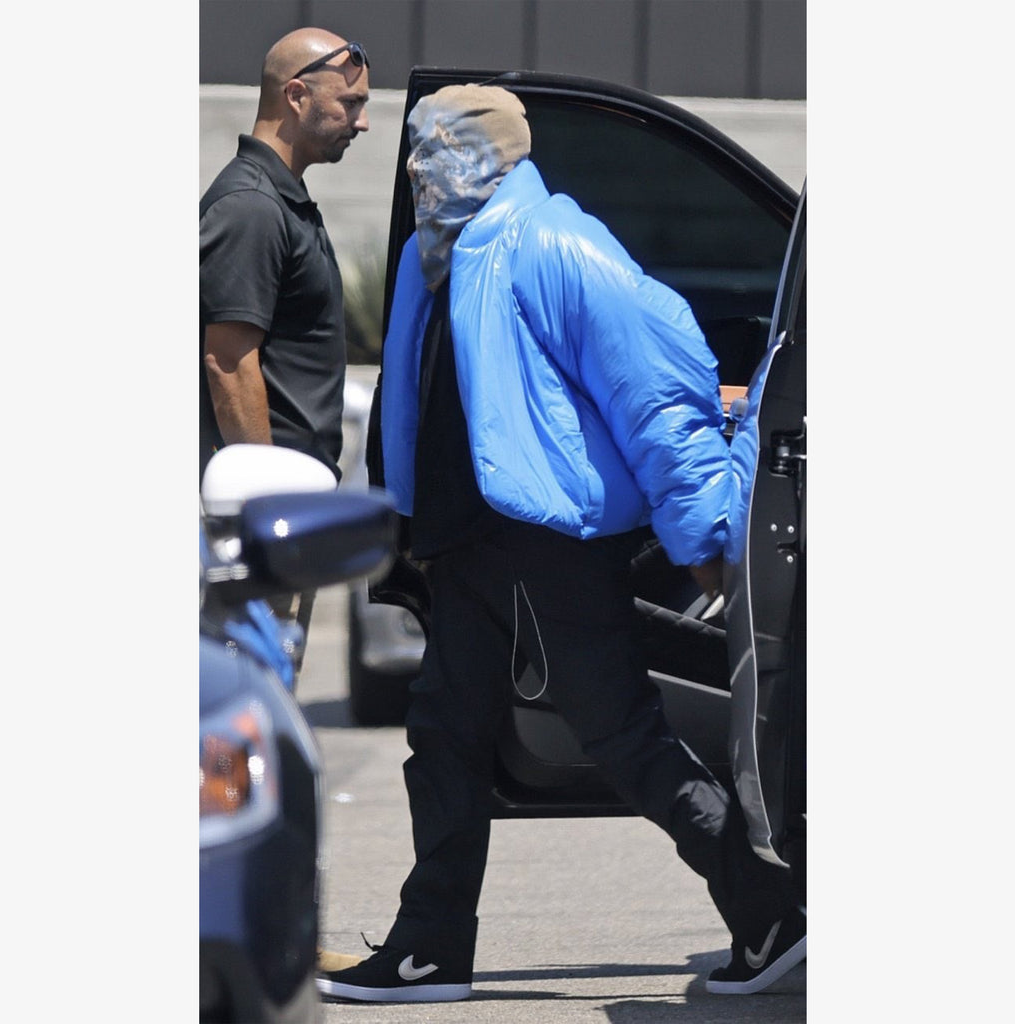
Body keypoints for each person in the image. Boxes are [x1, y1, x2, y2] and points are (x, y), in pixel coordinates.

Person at [317, 84, 806, 1004]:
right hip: (468, 544)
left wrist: (700, 527)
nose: (421, 164)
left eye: (443, 145)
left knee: (622, 735)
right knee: (445, 740)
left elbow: (656, 383)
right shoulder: (439, 254)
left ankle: (770, 912)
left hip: (545, 539)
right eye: (417, 146)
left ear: (496, 152)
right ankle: (429, 950)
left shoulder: (552, 241)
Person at [199, 27, 370, 653]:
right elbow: (227, 362)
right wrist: (270, 508)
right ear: (296, 96)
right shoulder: (251, 206)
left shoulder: (280, 200)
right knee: (247, 700)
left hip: (284, 514)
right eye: (350, 104)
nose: (363, 122)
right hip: (263, 524)